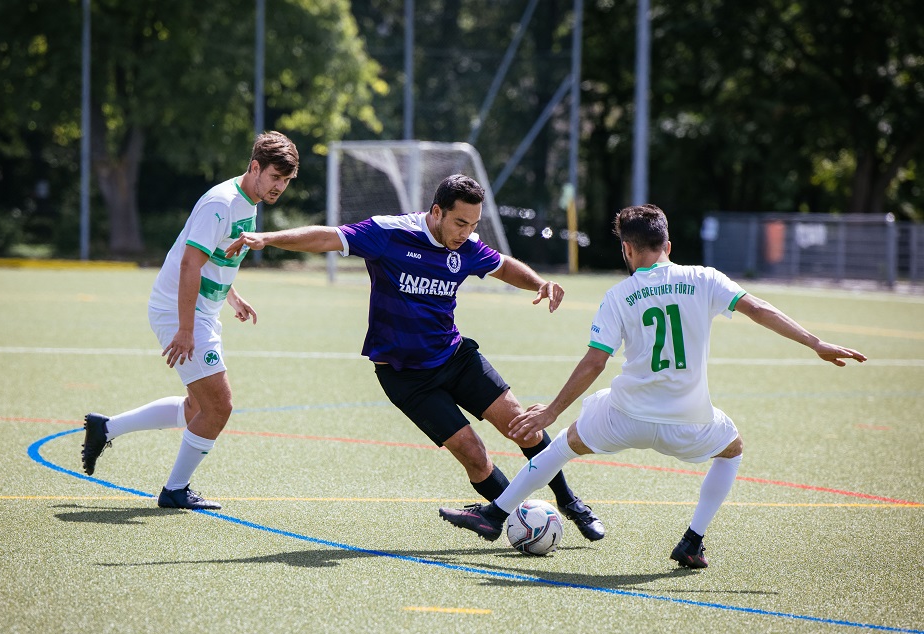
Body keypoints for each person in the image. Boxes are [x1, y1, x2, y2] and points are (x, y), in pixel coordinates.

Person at [438, 203, 867, 567]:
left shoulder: (619, 295)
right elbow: (759, 308)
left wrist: (550, 411)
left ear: (627, 249)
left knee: (562, 445)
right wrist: (815, 342)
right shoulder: (705, 278)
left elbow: (595, 361)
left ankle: (495, 514)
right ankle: (692, 541)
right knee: (732, 450)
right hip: (690, 422)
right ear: (668, 246)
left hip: (625, 416)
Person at [224, 174, 605, 541]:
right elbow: (327, 236)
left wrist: (539, 283)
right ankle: (514, 520)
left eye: (473, 225)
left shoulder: (466, 247)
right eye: (459, 223)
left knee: (523, 426)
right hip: (405, 377)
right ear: (436, 211)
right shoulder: (388, 233)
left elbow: (503, 265)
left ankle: (569, 502)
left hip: (455, 357)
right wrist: (268, 238)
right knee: (473, 454)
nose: (466, 233)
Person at [81, 131, 300, 510]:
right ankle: (174, 491)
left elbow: (217, 256)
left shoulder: (250, 200)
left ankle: (106, 428)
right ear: (254, 167)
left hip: (203, 311)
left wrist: (230, 295)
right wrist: (185, 329)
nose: (279, 187)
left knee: (196, 408)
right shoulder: (221, 202)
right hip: (182, 311)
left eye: (286, 180)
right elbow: (189, 263)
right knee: (219, 407)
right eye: (275, 177)